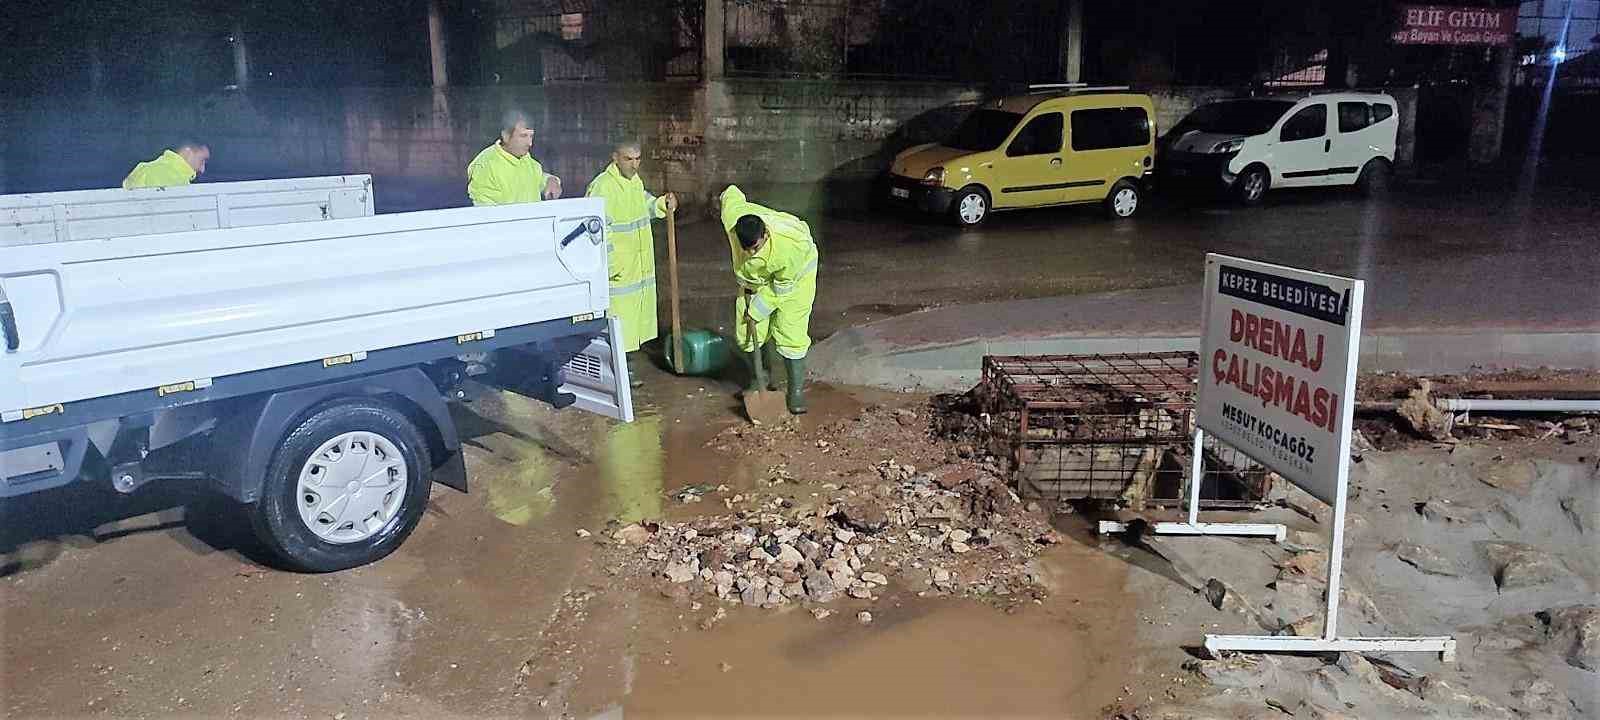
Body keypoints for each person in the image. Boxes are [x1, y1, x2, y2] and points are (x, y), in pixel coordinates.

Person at [714, 185, 819, 414]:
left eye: (756, 248)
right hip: (756, 280)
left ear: (766, 235)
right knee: (747, 331)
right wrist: (722, 195)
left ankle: (796, 391)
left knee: (790, 330)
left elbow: (781, 289)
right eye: (746, 249)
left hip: (795, 278)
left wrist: (758, 310)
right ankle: (760, 380)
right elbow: (731, 194)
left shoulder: (789, 247)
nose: (751, 254)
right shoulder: (734, 219)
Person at [584, 141, 678, 373]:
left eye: (638, 159)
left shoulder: (634, 182)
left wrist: (660, 204)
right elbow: (595, 233)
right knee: (618, 323)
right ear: (615, 157)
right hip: (619, 271)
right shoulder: (603, 187)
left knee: (633, 320)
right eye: (629, 159)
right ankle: (618, 372)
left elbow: (643, 204)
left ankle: (627, 366)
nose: (635, 165)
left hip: (636, 267)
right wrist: (610, 265)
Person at [466, 109, 561, 206]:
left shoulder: (525, 158)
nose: (530, 143)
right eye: (523, 136)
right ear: (506, 136)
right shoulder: (485, 166)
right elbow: (484, 214)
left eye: (531, 136)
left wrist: (551, 180)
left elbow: (538, 177)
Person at [122, 141, 209, 189]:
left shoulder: (146, 169)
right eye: (202, 160)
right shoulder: (168, 176)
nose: (202, 169)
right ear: (187, 152)